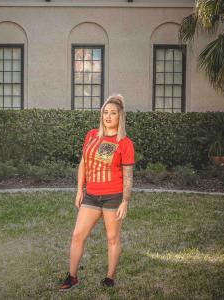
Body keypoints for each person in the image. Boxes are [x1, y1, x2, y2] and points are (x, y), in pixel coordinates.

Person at [60, 94, 135, 291]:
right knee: (77, 235)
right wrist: (79, 190)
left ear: (120, 117)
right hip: (92, 195)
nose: (108, 116)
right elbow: (83, 164)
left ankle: (110, 277)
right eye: (105, 112)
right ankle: (72, 277)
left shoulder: (124, 143)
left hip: (113, 196)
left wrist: (125, 201)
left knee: (112, 238)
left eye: (113, 113)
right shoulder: (92, 135)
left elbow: (128, 175)